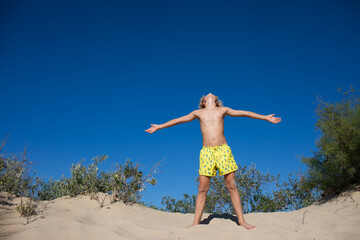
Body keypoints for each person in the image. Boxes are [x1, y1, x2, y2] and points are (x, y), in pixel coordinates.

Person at [145, 93, 281, 230]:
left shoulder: (223, 110)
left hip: (223, 151)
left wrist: (265, 117)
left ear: (216, 102)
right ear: (203, 102)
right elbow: (179, 120)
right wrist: (160, 126)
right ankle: (195, 223)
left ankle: (241, 221)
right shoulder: (197, 113)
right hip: (206, 153)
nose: (209, 93)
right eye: (206, 96)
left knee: (231, 186)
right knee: (203, 188)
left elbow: (244, 113)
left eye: (212, 95)